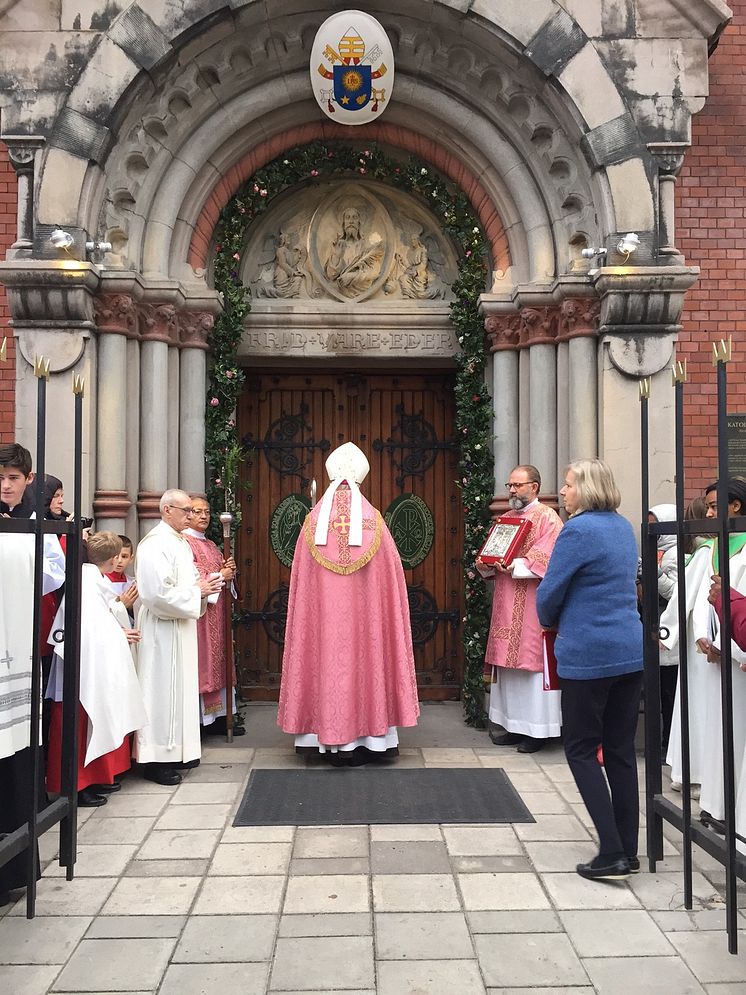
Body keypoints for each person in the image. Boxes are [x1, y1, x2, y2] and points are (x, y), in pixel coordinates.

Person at [278, 442, 419, 765]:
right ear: (360, 481)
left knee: (326, 660)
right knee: (365, 662)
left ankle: (319, 739)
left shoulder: (313, 523)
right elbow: (393, 580)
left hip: (322, 625)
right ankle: (370, 740)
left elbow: (300, 581)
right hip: (365, 626)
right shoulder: (376, 523)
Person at [536, 458, 643, 881]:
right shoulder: (622, 526)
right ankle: (630, 850)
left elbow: (550, 592)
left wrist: (548, 618)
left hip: (589, 654)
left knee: (580, 749)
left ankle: (612, 852)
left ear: (588, 488)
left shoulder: (578, 530)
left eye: (568, 485)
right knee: (619, 751)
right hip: (629, 651)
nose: (562, 492)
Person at [0, 443, 65, 905]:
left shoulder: (37, 523)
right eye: (0, 476)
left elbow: (53, 577)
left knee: (18, 750)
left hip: (18, 644)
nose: (5, 485)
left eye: (13, 477)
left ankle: (15, 868)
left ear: (28, 479)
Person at [46, 532, 147, 806]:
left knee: (89, 721)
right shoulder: (87, 581)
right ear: (114, 558)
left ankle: (88, 780)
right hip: (80, 668)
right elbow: (86, 630)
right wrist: (120, 634)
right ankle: (74, 786)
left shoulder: (92, 578)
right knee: (76, 723)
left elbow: (100, 623)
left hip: (90, 663)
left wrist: (117, 631)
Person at [134, 490, 223, 785]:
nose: (191, 515)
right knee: (162, 692)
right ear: (167, 510)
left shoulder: (177, 541)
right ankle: (156, 759)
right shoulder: (154, 545)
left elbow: (184, 582)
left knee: (179, 691)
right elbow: (155, 593)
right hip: (162, 629)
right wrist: (196, 591)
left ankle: (180, 751)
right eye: (185, 510)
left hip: (180, 625)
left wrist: (202, 586)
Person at [477, 465, 563, 753]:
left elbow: (550, 556)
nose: (511, 490)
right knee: (509, 667)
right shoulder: (506, 518)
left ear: (534, 486)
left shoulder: (547, 518)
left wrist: (515, 565)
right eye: (510, 485)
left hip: (531, 602)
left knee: (531, 665)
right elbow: (492, 550)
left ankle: (537, 731)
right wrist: (487, 561)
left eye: (518, 485)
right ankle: (513, 725)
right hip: (506, 599)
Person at [694, 478, 746, 834]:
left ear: (736, 508)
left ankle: (734, 812)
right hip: (714, 655)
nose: (709, 514)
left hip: (738, 658)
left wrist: (726, 646)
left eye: (714, 507)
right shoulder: (712, 547)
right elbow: (701, 596)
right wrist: (703, 635)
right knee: (717, 732)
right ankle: (715, 803)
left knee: (736, 735)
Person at [661, 497, 711, 794]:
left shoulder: (710, 550)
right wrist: (669, 631)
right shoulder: (708, 551)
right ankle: (691, 772)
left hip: (712, 642)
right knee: (697, 707)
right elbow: (684, 595)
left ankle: (695, 774)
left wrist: (666, 633)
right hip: (702, 644)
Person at [183, 495, 243, 736]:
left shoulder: (210, 545)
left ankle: (219, 717)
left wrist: (230, 574)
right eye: (198, 512)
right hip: (200, 615)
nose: (204, 516)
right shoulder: (184, 543)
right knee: (204, 663)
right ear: (187, 513)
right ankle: (200, 721)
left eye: (206, 512)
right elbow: (192, 577)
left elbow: (223, 575)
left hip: (217, 611)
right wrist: (221, 574)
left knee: (220, 661)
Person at [647, 504, 679, 753]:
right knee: (658, 692)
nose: (652, 530)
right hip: (655, 625)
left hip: (670, 632)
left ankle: (668, 744)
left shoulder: (676, 553)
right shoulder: (656, 551)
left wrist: (653, 573)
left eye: (656, 525)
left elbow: (675, 593)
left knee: (669, 694)